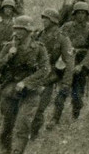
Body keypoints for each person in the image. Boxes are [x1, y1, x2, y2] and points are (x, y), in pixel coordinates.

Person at [0, 15, 50, 154]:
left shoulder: (39, 49)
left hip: (30, 91)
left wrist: (26, 82)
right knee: (8, 124)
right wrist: (8, 57)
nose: (16, 32)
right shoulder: (9, 46)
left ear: (29, 32)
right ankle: (5, 150)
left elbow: (45, 70)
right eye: (15, 29)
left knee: (24, 123)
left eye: (20, 30)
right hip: (10, 90)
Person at [29, 8, 74, 140]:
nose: (43, 21)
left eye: (46, 18)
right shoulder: (38, 35)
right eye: (43, 18)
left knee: (39, 108)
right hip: (33, 75)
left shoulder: (62, 38)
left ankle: (33, 135)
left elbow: (69, 61)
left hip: (49, 77)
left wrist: (66, 83)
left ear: (53, 21)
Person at [50, 1, 89, 125]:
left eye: (83, 13)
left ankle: (75, 114)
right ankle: (55, 118)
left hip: (81, 63)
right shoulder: (66, 27)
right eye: (78, 13)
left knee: (77, 95)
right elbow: (57, 42)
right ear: (74, 14)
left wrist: (82, 64)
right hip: (65, 62)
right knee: (63, 90)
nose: (81, 16)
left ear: (86, 15)